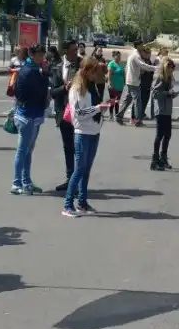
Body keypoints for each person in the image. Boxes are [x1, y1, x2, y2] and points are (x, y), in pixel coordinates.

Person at [62, 57, 108, 217]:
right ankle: (67, 204)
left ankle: (82, 201)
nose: (96, 75)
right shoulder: (76, 89)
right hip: (82, 133)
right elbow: (79, 114)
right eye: (94, 72)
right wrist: (97, 108)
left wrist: (102, 108)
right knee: (79, 169)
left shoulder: (91, 86)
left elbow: (93, 108)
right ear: (86, 71)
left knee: (86, 170)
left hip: (94, 131)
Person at [11, 44, 50, 195]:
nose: (42, 58)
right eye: (40, 55)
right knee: (22, 150)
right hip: (27, 114)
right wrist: (44, 76)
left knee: (28, 151)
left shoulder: (33, 69)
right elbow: (33, 91)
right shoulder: (29, 71)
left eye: (43, 55)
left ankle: (26, 181)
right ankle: (16, 183)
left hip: (33, 114)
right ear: (32, 54)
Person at [48, 41, 82, 191]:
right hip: (63, 112)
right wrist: (64, 88)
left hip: (80, 112)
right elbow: (53, 92)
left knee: (80, 147)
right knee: (68, 146)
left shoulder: (82, 66)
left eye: (77, 50)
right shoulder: (57, 67)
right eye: (73, 50)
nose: (76, 53)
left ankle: (80, 180)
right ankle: (70, 178)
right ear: (66, 51)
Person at [116, 42, 156, 126]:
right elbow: (143, 65)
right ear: (138, 46)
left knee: (128, 100)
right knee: (138, 101)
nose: (143, 47)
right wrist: (156, 68)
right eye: (142, 45)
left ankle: (119, 116)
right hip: (133, 82)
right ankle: (138, 120)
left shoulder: (133, 54)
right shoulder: (136, 56)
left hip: (131, 81)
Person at [150, 57, 179, 171]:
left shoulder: (169, 78)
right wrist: (167, 93)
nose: (171, 71)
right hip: (161, 110)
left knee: (168, 135)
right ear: (165, 68)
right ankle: (155, 160)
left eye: (172, 69)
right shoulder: (159, 78)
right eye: (170, 69)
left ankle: (163, 157)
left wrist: (173, 94)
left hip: (167, 110)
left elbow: (167, 92)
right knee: (159, 135)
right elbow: (155, 94)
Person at [107, 51, 125, 120]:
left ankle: (116, 115)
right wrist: (110, 83)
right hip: (113, 85)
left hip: (120, 86)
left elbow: (123, 73)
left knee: (117, 101)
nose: (119, 57)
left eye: (120, 56)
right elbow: (109, 74)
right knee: (112, 100)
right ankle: (111, 114)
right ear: (114, 56)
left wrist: (124, 82)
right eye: (117, 56)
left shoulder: (121, 64)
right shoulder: (111, 64)